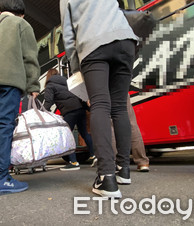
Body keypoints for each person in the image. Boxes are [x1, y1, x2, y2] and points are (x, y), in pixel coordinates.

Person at [60, 0, 138, 198]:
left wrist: (76, 67)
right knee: (119, 107)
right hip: (125, 40)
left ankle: (106, 177)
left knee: (100, 104)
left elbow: (68, 35)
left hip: (94, 44)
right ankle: (124, 170)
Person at [0, 0, 40, 196]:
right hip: (10, 81)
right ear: (21, 12)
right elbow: (29, 56)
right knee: (4, 126)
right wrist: (33, 85)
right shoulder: (22, 24)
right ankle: (0, 179)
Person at [43, 68, 95, 171]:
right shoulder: (67, 82)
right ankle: (95, 155)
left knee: (67, 136)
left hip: (69, 112)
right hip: (80, 109)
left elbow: (48, 102)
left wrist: (43, 113)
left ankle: (73, 162)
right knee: (84, 133)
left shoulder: (50, 85)